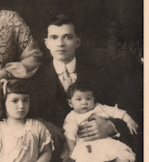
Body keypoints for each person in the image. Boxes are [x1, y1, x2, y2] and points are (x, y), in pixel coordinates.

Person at [30, 14, 129, 161]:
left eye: (67, 37)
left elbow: (124, 109)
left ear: (78, 42)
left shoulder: (100, 74)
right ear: (46, 43)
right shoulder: (35, 78)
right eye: (54, 37)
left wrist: (111, 126)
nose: (60, 44)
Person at [63, 81, 138, 162]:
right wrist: (72, 152)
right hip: (86, 146)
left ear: (93, 99)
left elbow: (116, 112)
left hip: (106, 142)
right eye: (79, 99)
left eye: (88, 98)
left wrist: (129, 120)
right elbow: (70, 135)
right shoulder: (72, 117)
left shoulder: (100, 107)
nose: (84, 102)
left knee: (121, 155)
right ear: (70, 103)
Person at [0, 79, 54, 162]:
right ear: (3, 102)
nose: (21, 105)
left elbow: (47, 152)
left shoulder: (37, 127)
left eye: (25, 100)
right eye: (15, 101)